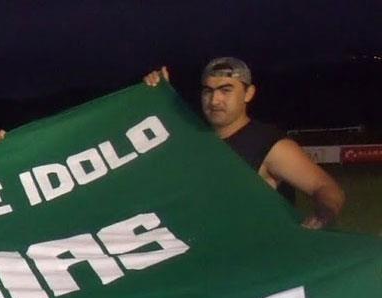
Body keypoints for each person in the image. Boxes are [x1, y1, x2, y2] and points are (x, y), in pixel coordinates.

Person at [144, 59, 344, 228]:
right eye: (208, 91)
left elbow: (326, 186)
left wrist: (322, 215)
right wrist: (156, 96)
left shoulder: (270, 145)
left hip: (258, 257)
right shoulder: (195, 139)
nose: (214, 100)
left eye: (226, 90)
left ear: (248, 94)